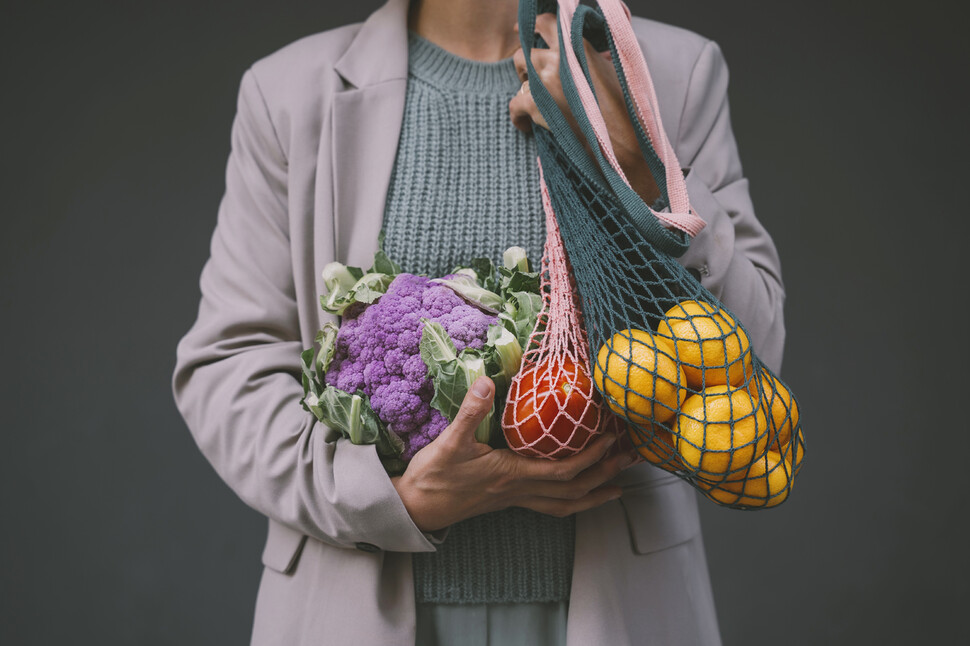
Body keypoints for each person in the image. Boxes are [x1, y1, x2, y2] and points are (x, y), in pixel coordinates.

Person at [172, 0, 785, 643]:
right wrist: (391, 501)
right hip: (355, 605)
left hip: (613, 612)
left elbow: (756, 356)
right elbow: (227, 366)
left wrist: (638, 167)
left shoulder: (670, 71)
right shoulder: (289, 92)